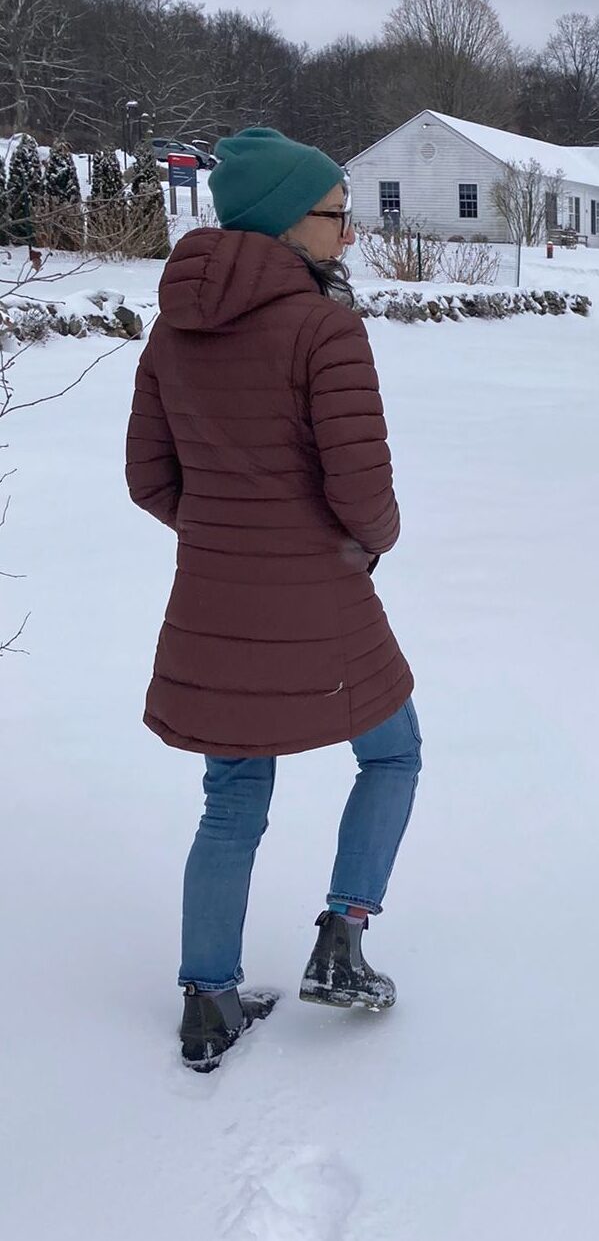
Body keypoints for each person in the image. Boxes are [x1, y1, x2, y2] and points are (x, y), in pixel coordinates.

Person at [126, 128, 420, 1073]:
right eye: (337, 217)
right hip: (324, 593)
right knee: (393, 751)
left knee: (232, 792)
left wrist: (223, 538)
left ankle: (207, 999)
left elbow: (148, 477)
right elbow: (361, 489)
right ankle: (343, 935)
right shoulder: (323, 327)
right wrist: (363, 543)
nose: (349, 235)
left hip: (215, 600)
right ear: (288, 224)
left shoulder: (175, 326)